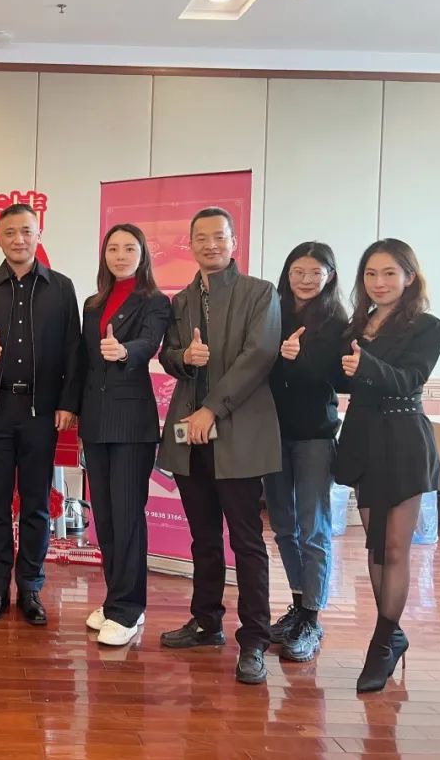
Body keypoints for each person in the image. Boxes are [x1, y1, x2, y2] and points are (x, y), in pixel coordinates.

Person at [156, 206, 280, 685]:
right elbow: (168, 354)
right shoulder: (182, 300)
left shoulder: (259, 293)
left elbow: (259, 356)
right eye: (202, 238)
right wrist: (183, 357)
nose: (211, 245)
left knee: (246, 541)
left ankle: (254, 640)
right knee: (203, 537)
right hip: (191, 437)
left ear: (234, 242)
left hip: (238, 434)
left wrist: (212, 409)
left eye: (219, 237)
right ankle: (206, 622)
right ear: (190, 244)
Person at [0, 203, 82, 626]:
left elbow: (73, 348)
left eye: (26, 231)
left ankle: (30, 586)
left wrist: (68, 402)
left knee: (35, 503)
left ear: (38, 234)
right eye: (10, 232)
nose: (18, 239)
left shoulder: (61, 287)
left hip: (40, 411)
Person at [333, 239, 440, 693]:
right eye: (370, 274)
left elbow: (410, 380)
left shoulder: (427, 326)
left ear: (409, 277)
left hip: (403, 439)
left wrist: (366, 365)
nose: (378, 283)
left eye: (389, 273)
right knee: (376, 547)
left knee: (396, 548)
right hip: (362, 437)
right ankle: (392, 635)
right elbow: (341, 377)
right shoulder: (356, 325)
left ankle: (381, 643)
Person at [78, 224, 171, 646]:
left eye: (129, 248)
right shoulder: (93, 303)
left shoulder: (155, 301)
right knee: (106, 517)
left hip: (132, 423)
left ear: (142, 254)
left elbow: (149, 343)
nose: (120, 255)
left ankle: (128, 610)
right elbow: (83, 360)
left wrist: (124, 351)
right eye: (113, 248)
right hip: (96, 420)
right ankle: (116, 597)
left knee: (128, 514)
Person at [264, 242, 348, 663]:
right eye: (299, 271)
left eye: (316, 272)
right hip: (271, 432)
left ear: (330, 276)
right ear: (287, 272)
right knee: (282, 525)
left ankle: (312, 618)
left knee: (313, 526)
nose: (306, 279)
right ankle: (298, 604)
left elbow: (338, 380)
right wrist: (282, 359)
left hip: (315, 435)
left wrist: (300, 358)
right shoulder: (272, 310)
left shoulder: (337, 320)